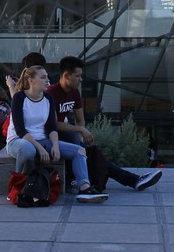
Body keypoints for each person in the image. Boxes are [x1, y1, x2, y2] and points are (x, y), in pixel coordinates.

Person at [47, 56, 162, 192]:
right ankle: (134, 180)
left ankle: (134, 180)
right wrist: (80, 130)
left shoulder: (74, 93)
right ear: (66, 76)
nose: (80, 79)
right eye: (77, 76)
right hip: (51, 137)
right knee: (91, 153)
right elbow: (53, 124)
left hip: (67, 137)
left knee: (94, 155)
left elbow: (80, 119)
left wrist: (81, 133)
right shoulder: (51, 93)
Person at [7, 65, 108, 203]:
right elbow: (20, 130)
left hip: (43, 139)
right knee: (28, 150)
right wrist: (40, 148)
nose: (47, 80)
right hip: (19, 141)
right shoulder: (19, 98)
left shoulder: (48, 98)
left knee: (78, 150)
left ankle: (85, 187)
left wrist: (55, 145)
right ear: (31, 80)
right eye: (43, 77)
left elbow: (51, 127)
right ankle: (15, 186)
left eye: (47, 77)